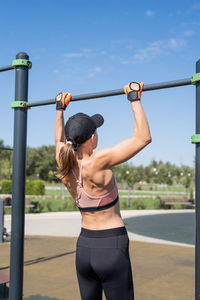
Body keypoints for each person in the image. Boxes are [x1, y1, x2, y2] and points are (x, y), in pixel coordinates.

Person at [54, 82, 151, 300]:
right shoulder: (99, 160)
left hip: (84, 248)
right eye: (96, 131)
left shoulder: (64, 160)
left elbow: (58, 140)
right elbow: (143, 138)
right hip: (111, 247)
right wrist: (134, 97)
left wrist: (59, 109)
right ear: (92, 138)